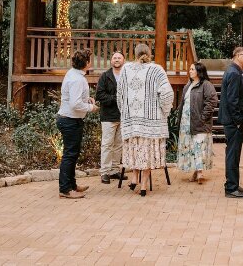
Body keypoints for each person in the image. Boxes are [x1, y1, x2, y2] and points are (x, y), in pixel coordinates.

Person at [117, 43, 173, 196]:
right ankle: (143, 185)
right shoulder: (156, 70)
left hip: (132, 122)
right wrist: (165, 111)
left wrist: (125, 113)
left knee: (136, 150)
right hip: (151, 122)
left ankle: (134, 178)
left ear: (135, 54)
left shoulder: (126, 69)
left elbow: (120, 95)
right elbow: (167, 94)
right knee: (146, 153)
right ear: (150, 53)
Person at [57, 49, 98, 199]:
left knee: (72, 154)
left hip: (70, 119)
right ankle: (65, 189)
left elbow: (74, 98)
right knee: (70, 155)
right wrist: (91, 108)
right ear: (86, 63)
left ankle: (72, 185)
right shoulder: (77, 79)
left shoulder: (74, 74)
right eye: (90, 60)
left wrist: (87, 100)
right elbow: (75, 104)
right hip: (70, 120)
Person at [218, 47, 243, 198]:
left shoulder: (234, 71)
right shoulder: (233, 73)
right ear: (238, 56)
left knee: (234, 153)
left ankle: (233, 184)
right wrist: (238, 121)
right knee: (232, 154)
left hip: (233, 121)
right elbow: (233, 100)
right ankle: (231, 188)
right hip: (233, 122)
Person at [176, 62, 218, 184]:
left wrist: (203, 117)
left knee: (199, 146)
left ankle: (200, 173)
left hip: (199, 122)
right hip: (186, 122)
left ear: (199, 71)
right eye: (190, 69)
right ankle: (196, 170)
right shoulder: (187, 85)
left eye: (192, 69)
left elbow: (212, 101)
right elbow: (183, 103)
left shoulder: (206, 85)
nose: (190, 71)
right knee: (190, 147)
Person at [96, 51, 127, 184]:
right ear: (111, 61)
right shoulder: (105, 76)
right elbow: (99, 95)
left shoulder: (127, 76)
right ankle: (105, 172)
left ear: (123, 60)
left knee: (119, 145)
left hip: (123, 116)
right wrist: (116, 99)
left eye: (119, 57)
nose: (117, 59)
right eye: (114, 57)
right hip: (108, 116)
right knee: (107, 145)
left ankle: (114, 170)